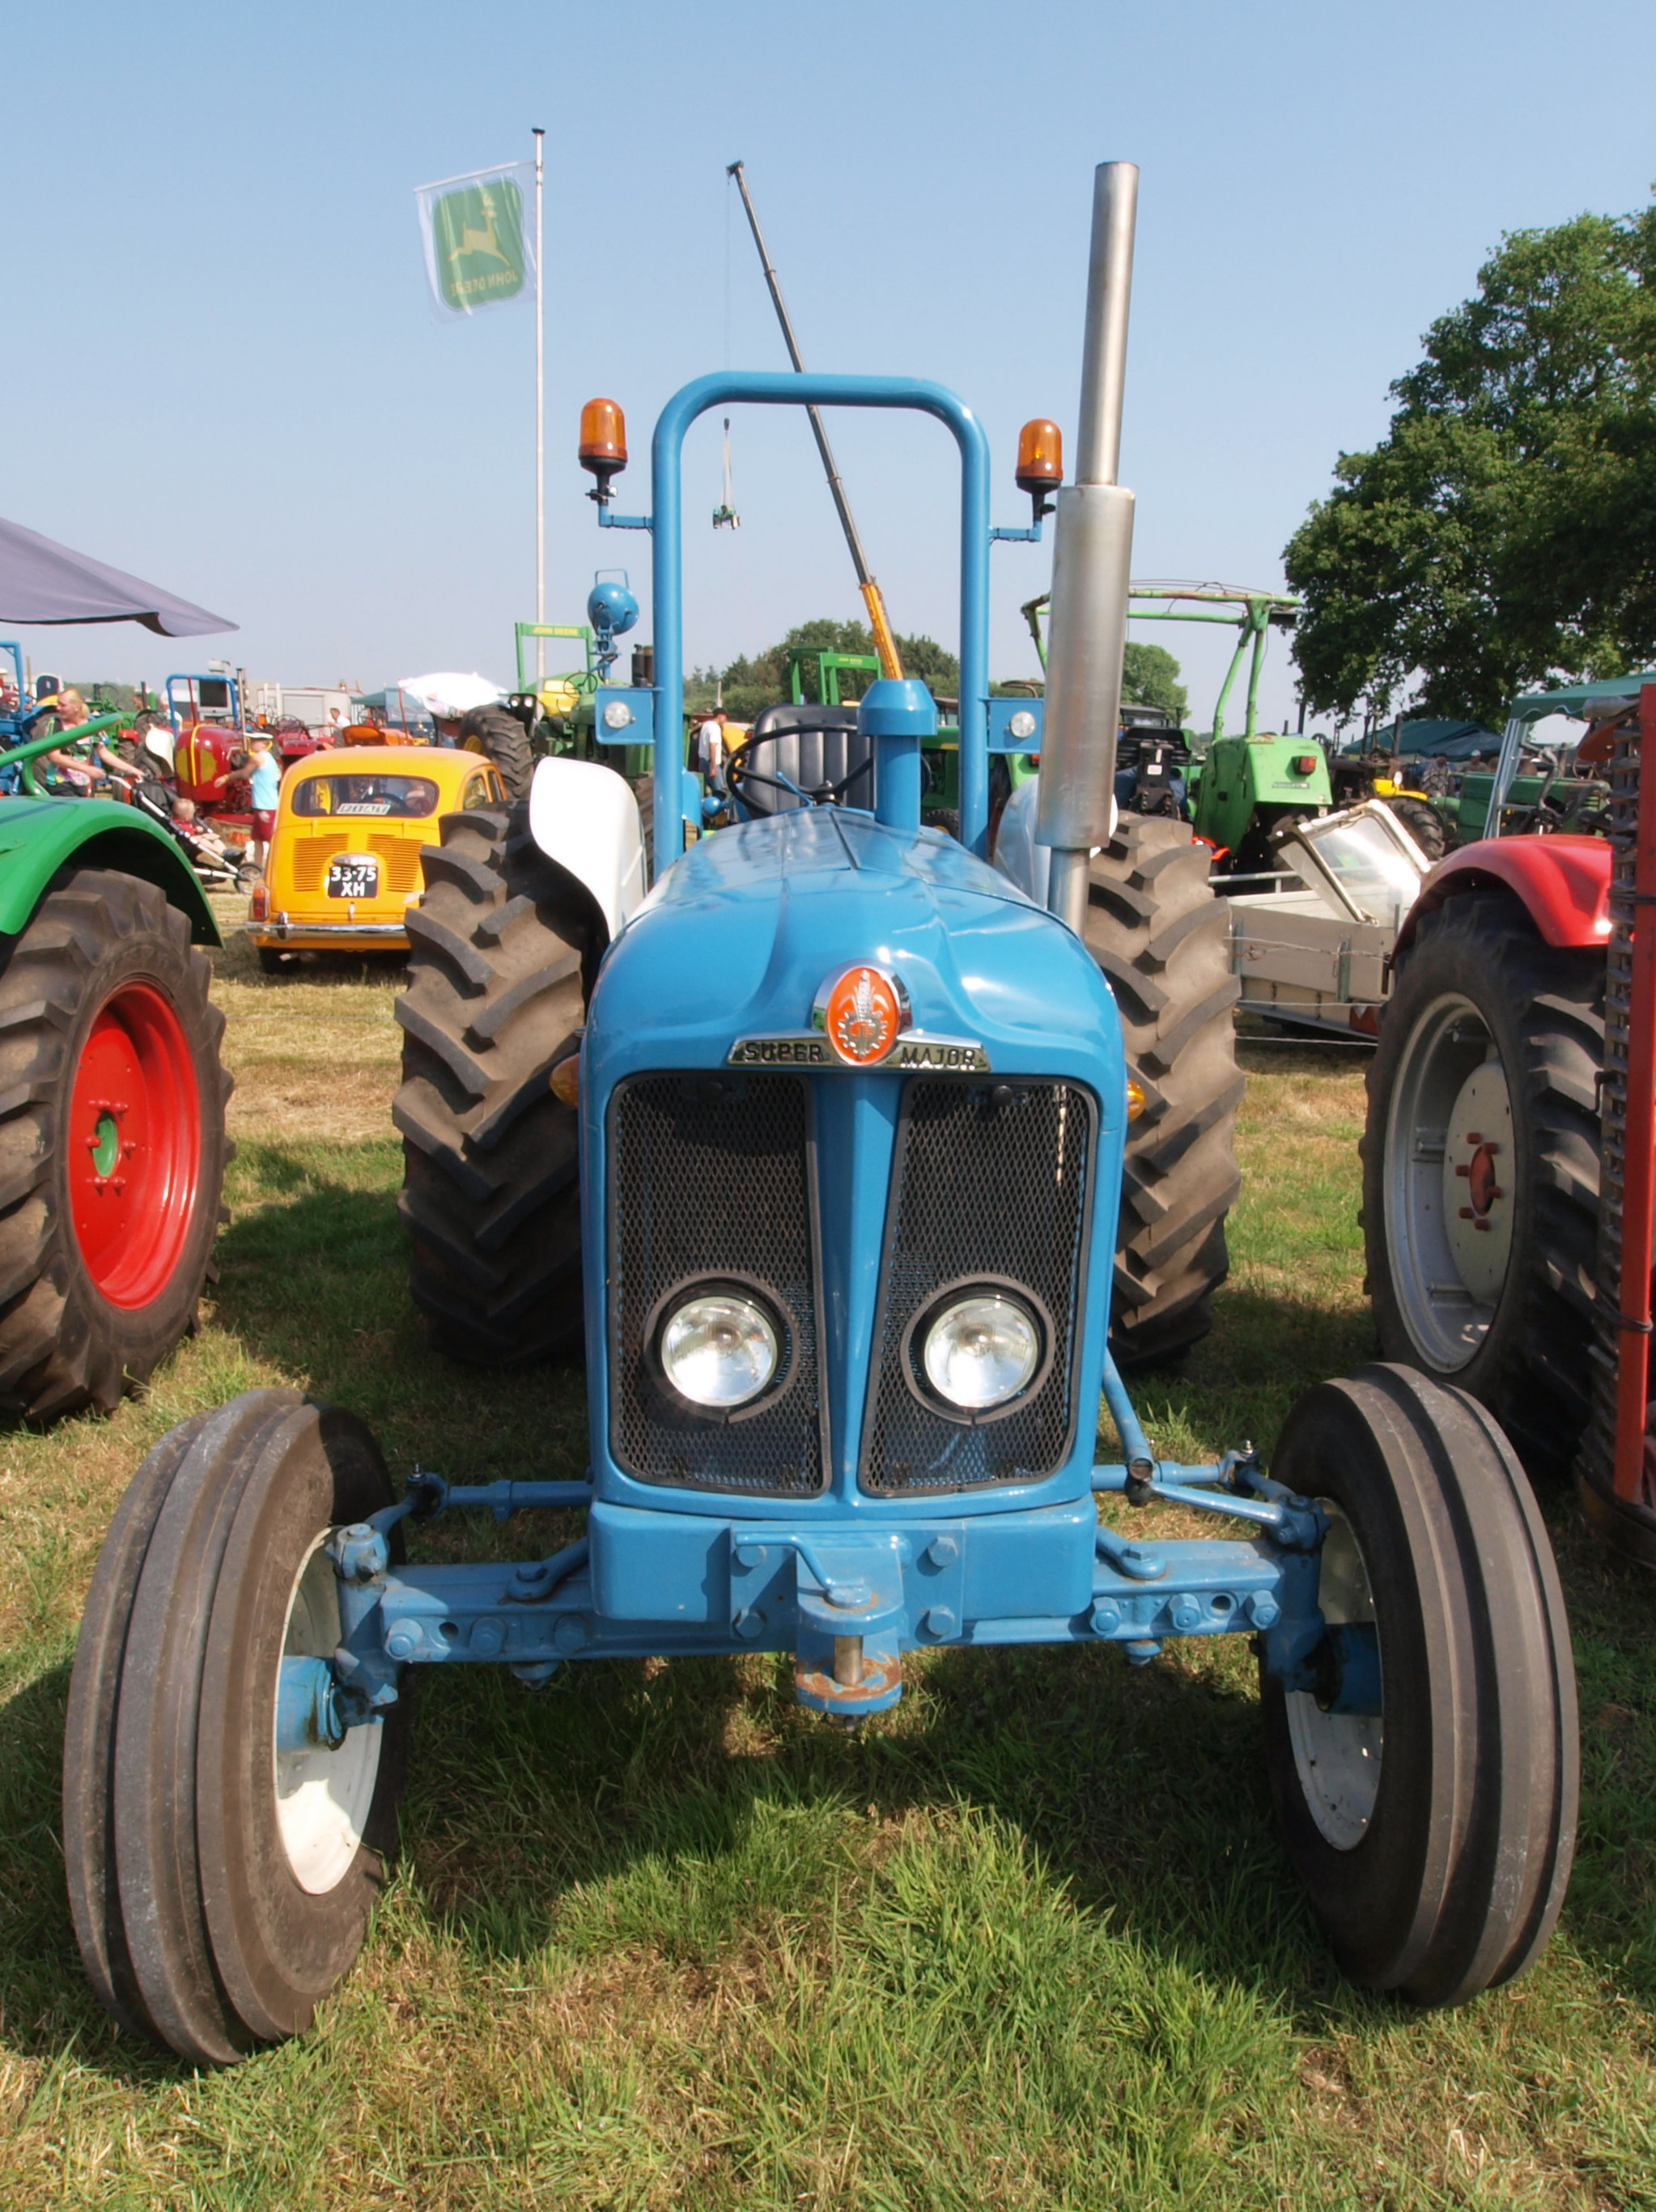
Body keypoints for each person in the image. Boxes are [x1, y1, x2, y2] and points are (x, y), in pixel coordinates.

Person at [246, 735, 281, 872]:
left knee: (269, 839)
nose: (251, 744)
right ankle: (258, 866)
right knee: (258, 839)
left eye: (254, 741)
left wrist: (227, 777)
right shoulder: (270, 758)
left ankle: (274, 868)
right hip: (263, 804)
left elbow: (244, 773)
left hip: (266, 805)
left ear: (263, 744)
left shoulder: (259, 758)